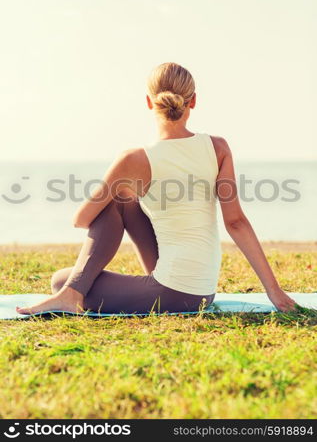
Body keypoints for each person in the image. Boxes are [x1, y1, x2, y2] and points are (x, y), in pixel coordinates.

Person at [17, 62, 297, 315]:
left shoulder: (134, 159)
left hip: (175, 292)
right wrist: (273, 290)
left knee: (61, 278)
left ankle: (70, 293)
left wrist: (123, 188)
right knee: (122, 200)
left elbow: (81, 220)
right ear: (194, 101)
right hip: (204, 290)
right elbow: (236, 222)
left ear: (149, 103)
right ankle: (72, 293)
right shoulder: (218, 147)